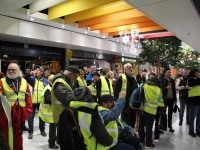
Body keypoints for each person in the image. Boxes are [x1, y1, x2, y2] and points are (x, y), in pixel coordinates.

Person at [0, 63, 33, 150]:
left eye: (13, 69)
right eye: (9, 69)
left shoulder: (24, 81)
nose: (11, 71)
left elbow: (28, 97)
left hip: (21, 114)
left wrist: (28, 110)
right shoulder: (2, 82)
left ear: (17, 70)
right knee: (7, 136)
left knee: (18, 135)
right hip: (7, 116)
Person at [24, 65, 48, 139]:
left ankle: (42, 130)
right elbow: (23, 78)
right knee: (30, 118)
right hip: (32, 102)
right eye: (35, 70)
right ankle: (30, 132)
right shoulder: (31, 79)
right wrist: (29, 74)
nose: (36, 71)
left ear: (42, 72)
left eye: (38, 70)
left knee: (42, 117)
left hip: (41, 103)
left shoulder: (45, 81)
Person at [138, 76, 162, 149]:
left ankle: (141, 140)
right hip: (151, 111)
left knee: (141, 125)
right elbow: (159, 99)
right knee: (149, 127)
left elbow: (138, 93)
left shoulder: (143, 86)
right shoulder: (158, 89)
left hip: (142, 109)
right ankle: (148, 144)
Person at [38, 74, 58, 149]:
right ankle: (51, 143)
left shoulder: (53, 87)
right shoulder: (48, 89)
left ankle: (55, 140)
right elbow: (49, 100)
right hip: (50, 113)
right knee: (53, 128)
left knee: (55, 128)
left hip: (54, 112)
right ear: (50, 81)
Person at [114, 63, 138, 128]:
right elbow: (116, 91)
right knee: (125, 122)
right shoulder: (121, 78)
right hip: (125, 105)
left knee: (132, 121)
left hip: (132, 105)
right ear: (125, 69)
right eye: (129, 67)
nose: (131, 69)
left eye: (131, 67)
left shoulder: (133, 78)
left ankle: (132, 134)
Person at [160, 68, 177, 132]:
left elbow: (174, 90)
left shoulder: (172, 80)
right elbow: (160, 89)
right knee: (163, 112)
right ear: (165, 73)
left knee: (170, 113)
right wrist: (166, 88)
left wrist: (175, 99)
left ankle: (170, 126)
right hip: (165, 99)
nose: (169, 73)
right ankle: (162, 125)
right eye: (168, 72)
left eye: (170, 72)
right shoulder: (162, 80)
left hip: (171, 99)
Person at [187, 69, 200, 137]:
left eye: (198, 72)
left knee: (199, 117)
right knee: (192, 116)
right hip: (193, 100)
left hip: (199, 100)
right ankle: (191, 131)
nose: (198, 73)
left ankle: (198, 130)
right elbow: (195, 82)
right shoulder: (191, 79)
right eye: (197, 72)